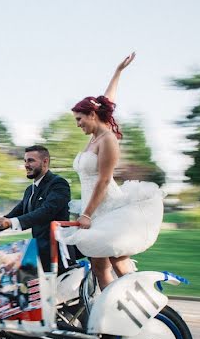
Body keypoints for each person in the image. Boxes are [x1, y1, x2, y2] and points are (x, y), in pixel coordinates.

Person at [58, 52, 166, 290]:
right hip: (92, 207)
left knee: (118, 259)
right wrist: (118, 72)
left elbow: (104, 181)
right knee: (98, 267)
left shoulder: (107, 139)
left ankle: (139, 301)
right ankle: (112, 312)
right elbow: (107, 100)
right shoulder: (96, 135)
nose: (78, 124)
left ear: (92, 115)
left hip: (106, 206)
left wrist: (86, 215)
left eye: (79, 119)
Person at [0, 145, 71, 274]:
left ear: (45, 162)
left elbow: (46, 212)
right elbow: (16, 213)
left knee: (7, 269)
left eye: (31, 160)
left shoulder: (58, 184)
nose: (26, 165)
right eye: (25, 161)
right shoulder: (30, 190)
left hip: (53, 250)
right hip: (37, 249)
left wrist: (11, 222)